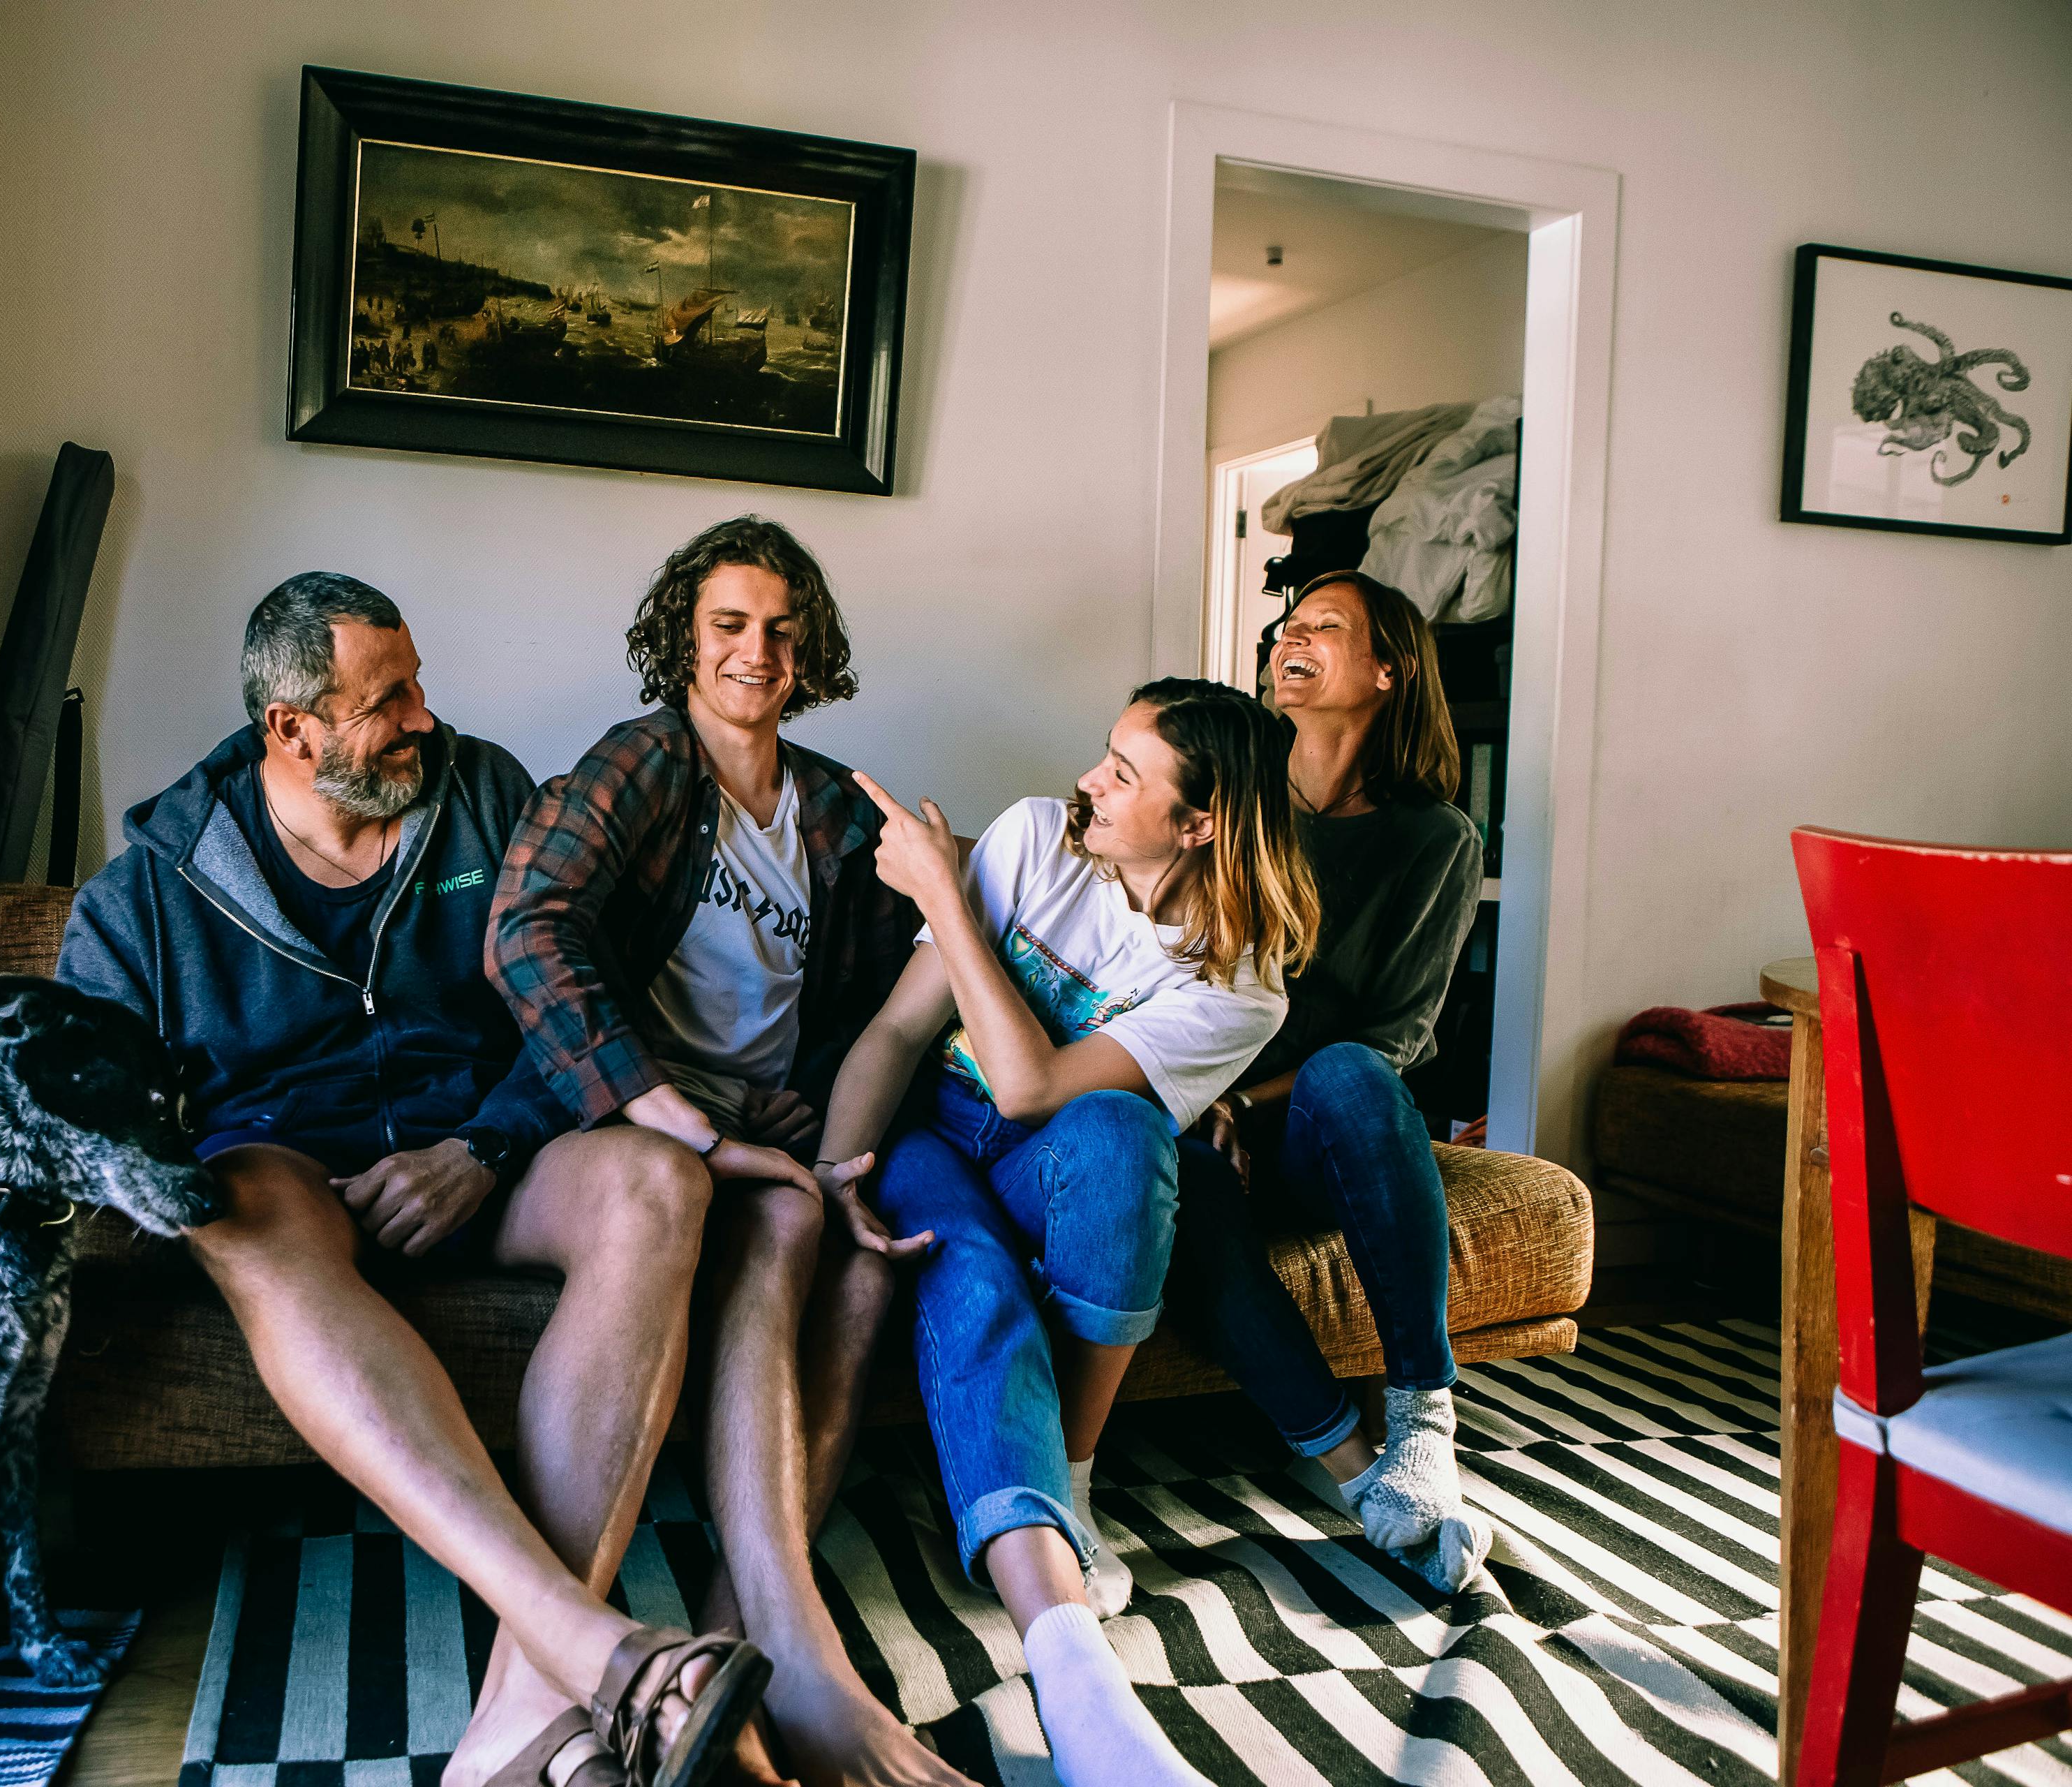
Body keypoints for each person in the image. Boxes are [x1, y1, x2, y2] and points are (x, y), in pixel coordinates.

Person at [0, 574, 771, 1787]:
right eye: (384, 698)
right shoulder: (153, 884)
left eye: (413, 682)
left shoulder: (488, 795)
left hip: (489, 1152)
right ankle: (590, 1649)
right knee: (228, 1199)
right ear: (288, 728)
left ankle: (523, 1701)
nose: (421, 716)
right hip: (288, 1169)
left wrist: (482, 1149)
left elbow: (578, 999)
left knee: (661, 1184)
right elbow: (76, 1075)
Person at [486, 517, 959, 1787]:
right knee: (792, 1217)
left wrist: (810, 1113)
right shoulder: (646, 762)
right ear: (684, 639)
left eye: (783, 629)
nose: (759, 651)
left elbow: (866, 1002)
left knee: (862, 1255)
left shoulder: (828, 806)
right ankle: (729, 1666)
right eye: (731, 625)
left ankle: (725, 1645)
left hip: (755, 1129)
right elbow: (526, 930)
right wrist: (682, 1120)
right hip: (621, 1122)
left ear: (812, 648)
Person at [815, 679, 1317, 1787]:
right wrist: (830, 1184)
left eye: (1126, 774)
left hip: (1045, 1146)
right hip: (934, 1138)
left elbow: (1038, 1088)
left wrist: (946, 900)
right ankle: (1071, 1656)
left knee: (1126, 1140)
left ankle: (1073, 1478)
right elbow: (903, 1030)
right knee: (972, 1276)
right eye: (1107, 752)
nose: (1090, 779)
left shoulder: (1241, 993)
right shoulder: (1038, 838)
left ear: (1202, 824)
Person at [1184, 568, 1491, 1592]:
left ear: (1389, 670)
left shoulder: (1435, 840)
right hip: (1197, 1109)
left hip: (1315, 1127)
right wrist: (1203, 1098)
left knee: (1356, 1072)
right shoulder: (1229, 799)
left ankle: (1422, 1419)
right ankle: (1352, 1468)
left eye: (1323, 626)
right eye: (1285, 624)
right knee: (1159, 1163)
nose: (1288, 637)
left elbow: (1401, 1037)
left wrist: (1248, 1102)